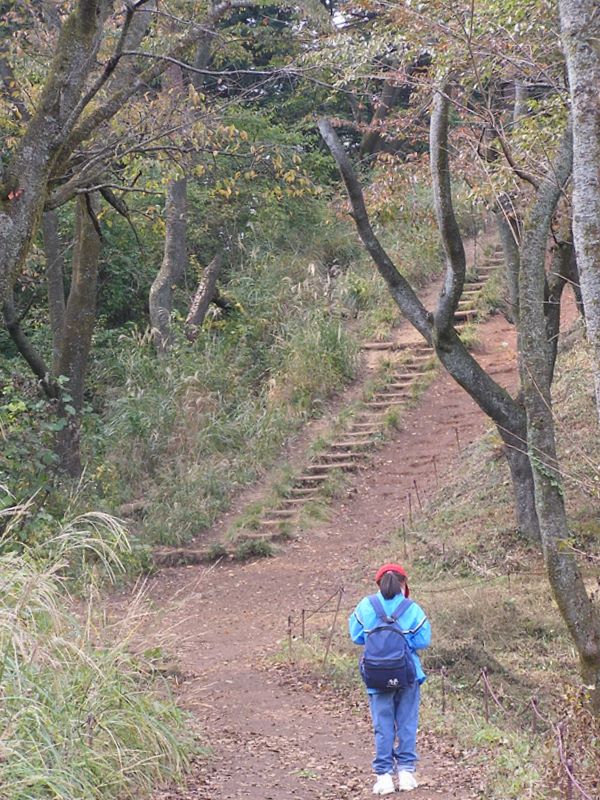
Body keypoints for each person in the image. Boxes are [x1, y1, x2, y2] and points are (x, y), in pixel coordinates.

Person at [349, 563, 431, 794]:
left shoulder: (366, 605)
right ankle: (406, 774)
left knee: (382, 726)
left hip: (376, 675)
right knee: (407, 723)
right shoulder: (411, 608)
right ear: (404, 584)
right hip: (408, 674)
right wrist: (404, 646)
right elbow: (424, 640)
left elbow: (356, 636)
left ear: (378, 584)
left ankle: (383, 777)